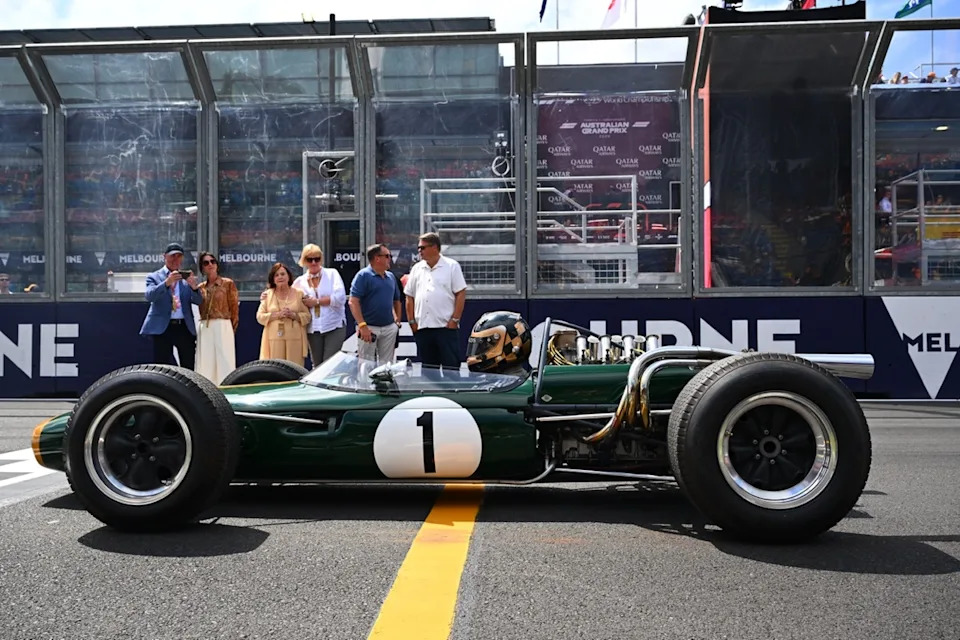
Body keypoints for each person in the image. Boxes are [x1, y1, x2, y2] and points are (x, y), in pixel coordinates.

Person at [404, 232, 467, 369]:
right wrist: (412, 322)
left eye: (423, 248)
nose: (420, 251)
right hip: (423, 329)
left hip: (445, 328)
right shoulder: (417, 268)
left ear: (435, 247)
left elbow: (460, 293)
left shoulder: (451, 266)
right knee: (429, 373)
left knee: (451, 371)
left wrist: (454, 320)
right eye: (419, 248)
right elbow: (409, 296)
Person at [140, 242, 203, 368]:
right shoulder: (154, 277)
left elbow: (198, 301)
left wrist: (195, 288)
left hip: (183, 326)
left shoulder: (185, 278)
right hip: (163, 327)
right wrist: (166, 283)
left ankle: (187, 388)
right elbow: (150, 296)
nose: (176, 259)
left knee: (188, 365)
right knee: (162, 367)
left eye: (179, 256)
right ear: (165, 257)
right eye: (172, 256)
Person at [292, 243, 347, 367]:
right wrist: (268, 294)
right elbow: (288, 296)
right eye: (309, 259)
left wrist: (316, 302)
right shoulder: (300, 281)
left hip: (334, 324)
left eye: (316, 259)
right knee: (317, 365)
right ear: (303, 261)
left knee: (330, 364)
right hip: (313, 327)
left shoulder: (332, 274)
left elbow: (340, 298)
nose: (313, 262)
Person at [348, 244, 402, 364]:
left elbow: (397, 300)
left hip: (389, 328)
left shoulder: (391, 277)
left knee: (387, 366)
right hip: (369, 328)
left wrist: (396, 322)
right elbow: (353, 301)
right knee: (365, 366)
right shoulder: (363, 276)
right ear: (377, 258)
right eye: (387, 256)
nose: (390, 259)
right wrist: (363, 326)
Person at [195, 252, 239, 384]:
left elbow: (234, 308)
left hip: (223, 323)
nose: (210, 265)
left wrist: (231, 328)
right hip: (205, 325)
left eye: (212, 261)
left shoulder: (227, 284)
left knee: (225, 360)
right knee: (206, 362)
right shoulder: (200, 288)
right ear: (202, 268)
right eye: (206, 263)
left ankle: (227, 390)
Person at [256, 262, 311, 366]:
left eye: (282, 274)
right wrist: (277, 315)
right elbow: (260, 316)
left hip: (295, 339)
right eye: (276, 275)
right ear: (273, 279)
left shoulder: (299, 293)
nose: (280, 277)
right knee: (276, 370)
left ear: (288, 276)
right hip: (274, 339)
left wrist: (294, 315)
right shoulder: (267, 294)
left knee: (294, 370)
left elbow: (307, 316)